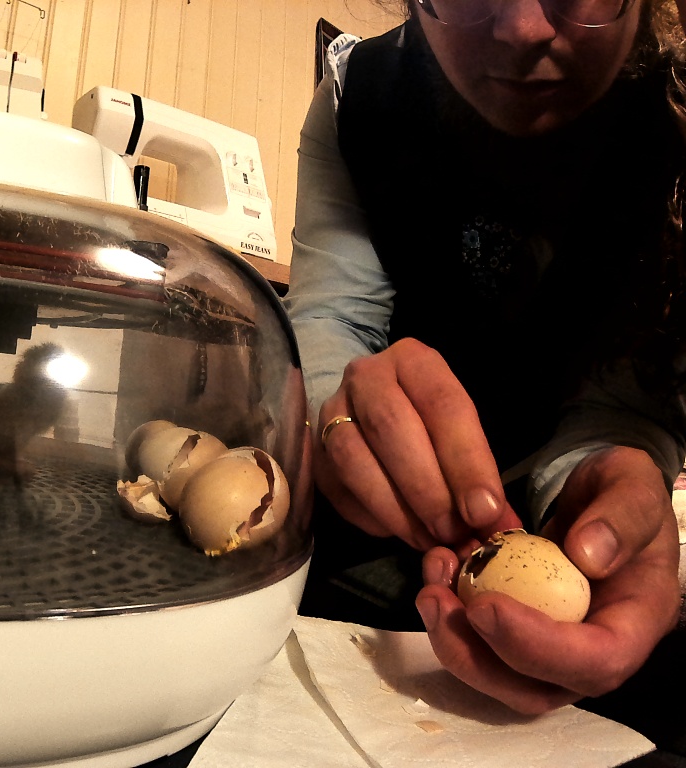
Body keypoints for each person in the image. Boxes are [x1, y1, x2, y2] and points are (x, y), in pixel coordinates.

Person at [287, 0, 686, 715]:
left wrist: (609, 468)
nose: (522, 28)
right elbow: (331, 317)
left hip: (569, 535)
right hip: (372, 541)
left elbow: (627, 396)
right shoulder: (359, 99)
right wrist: (340, 417)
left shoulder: (674, 124)